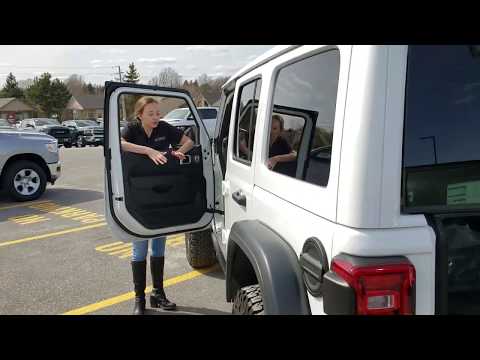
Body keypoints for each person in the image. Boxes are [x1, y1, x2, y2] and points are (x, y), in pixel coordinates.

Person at [120, 96, 194, 315]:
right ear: (140, 114)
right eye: (150, 113)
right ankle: (139, 299)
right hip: (138, 195)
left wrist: (179, 152)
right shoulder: (132, 129)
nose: (156, 117)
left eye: (158, 113)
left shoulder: (164, 127)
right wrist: (149, 151)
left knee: (159, 247)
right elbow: (119, 144)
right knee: (139, 248)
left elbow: (188, 141)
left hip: (161, 194)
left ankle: (158, 294)